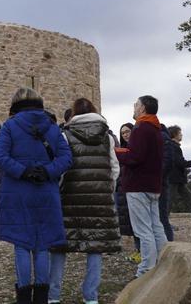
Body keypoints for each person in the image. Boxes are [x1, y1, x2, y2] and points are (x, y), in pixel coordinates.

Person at [0, 87, 72, 304]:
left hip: (18, 191)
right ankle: (41, 298)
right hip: (45, 190)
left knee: (22, 244)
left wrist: (23, 171)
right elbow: (66, 158)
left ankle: (24, 298)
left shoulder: (10, 126)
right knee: (43, 244)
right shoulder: (52, 127)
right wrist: (47, 171)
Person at [49, 98, 120, 304]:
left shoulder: (65, 135)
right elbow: (114, 168)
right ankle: (91, 296)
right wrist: (107, 189)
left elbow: (61, 167)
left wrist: (59, 189)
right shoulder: (107, 138)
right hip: (100, 198)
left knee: (60, 245)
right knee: (95, 246)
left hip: (70, 196)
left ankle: (54, 295)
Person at [115, 96, 167, 278]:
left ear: (143, 108)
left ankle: (145, 270)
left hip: (138, 186)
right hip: (153, 185)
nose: (134, 107)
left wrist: (115, 152)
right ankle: (164, 263)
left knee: (143, 230)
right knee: (156, 226)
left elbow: (134, 157)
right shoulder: (156, 128)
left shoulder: (141, 127)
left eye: (136, 104)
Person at [114, 123, 140, 262]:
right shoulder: (121, 149)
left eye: (127, 131)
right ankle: (138, 250)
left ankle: (142, 251)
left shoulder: (136, 148)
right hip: (123, 188)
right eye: (123, 132)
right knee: (132, 223)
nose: (125, 134)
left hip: (134, 188)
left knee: (138, 222)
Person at [157, 124, 174, 241]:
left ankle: (168, 244)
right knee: (161, 217)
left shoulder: (162, 137)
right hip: (161, 182)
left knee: (162, 217)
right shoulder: (163, 136)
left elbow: (168, 161)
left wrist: (157, 176)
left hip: (160, 183)